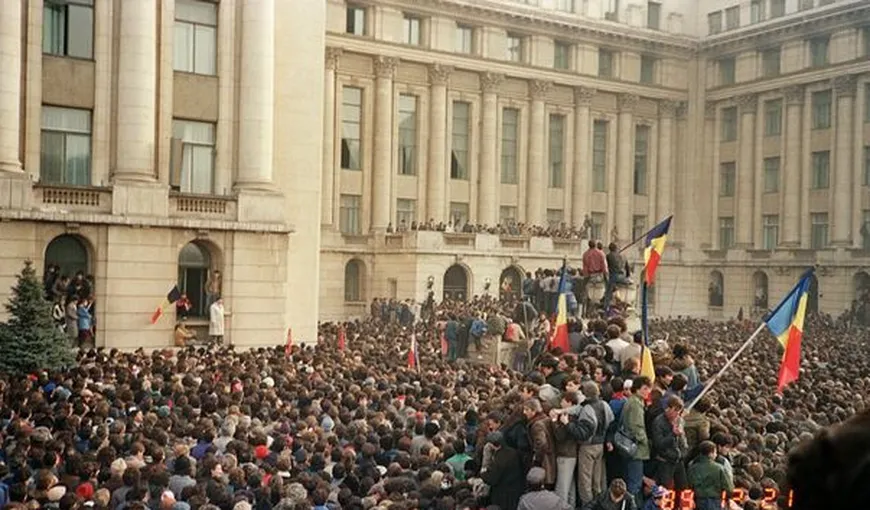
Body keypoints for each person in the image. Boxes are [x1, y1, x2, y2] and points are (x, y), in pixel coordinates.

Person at [620, 376, 652, 504]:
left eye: (648, 389)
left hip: (631, 448)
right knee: (634, 484)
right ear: (637, 389)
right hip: (636, 449)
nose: (647, 392)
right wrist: (645, 441)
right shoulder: (635, 404)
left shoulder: (633, 402)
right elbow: (636, 427)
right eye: (644, 389)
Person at [481, 432, 526, 510]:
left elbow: (492, 480)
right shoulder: (513, 452)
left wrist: (483, 472)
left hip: (503, 495)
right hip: (516, 490)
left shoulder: (499, 460)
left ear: (492, 444)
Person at [687, 441, 733, 510]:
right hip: (715, 501)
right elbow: (729, 487)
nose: (716, 455)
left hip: (698, 501)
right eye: (715, 452)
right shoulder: (719, 468)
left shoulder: (692, 468)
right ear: (710, 454)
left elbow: (689, 485)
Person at [525, 398, 557, 488]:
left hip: (545, 461)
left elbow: (542, 443)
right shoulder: (546, 419)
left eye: (527, 409)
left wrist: (537, 459)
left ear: (534, 410)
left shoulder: (537, 425)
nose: (524, 412)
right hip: (552, 458)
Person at [603, 243, 630, 311]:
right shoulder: (623, 256)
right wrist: (627, 277)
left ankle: (606, 307)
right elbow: (627, 268)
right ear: (616, 248)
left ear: (610, 249)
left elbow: (608, 267)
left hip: (614, 277)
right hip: (623, 277)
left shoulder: (608, 256)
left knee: (608, 292)